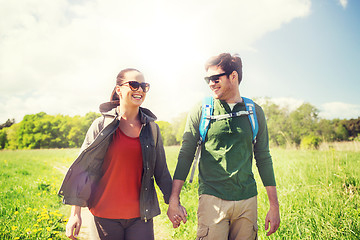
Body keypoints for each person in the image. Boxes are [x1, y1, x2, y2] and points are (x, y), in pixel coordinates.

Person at [167, 53, 280, 239]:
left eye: (215, 78)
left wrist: (274, 206)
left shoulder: (254, 112)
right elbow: (186, 154)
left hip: (247, 201)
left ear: (233, 76)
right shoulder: (202, 110)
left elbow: (264, 157)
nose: (211, 83)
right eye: (207, 79)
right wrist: (174, 199)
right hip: (212, 199)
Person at [58, 68, 174, 240]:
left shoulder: (152, 129)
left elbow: (161, 172)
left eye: (144, 86)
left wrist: (174, 203)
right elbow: (83, 170)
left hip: (141, 218)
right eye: (134, 85)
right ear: (119, 89)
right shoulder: (100, 126)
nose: (140, 90)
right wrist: (75, 214)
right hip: (104, 216)